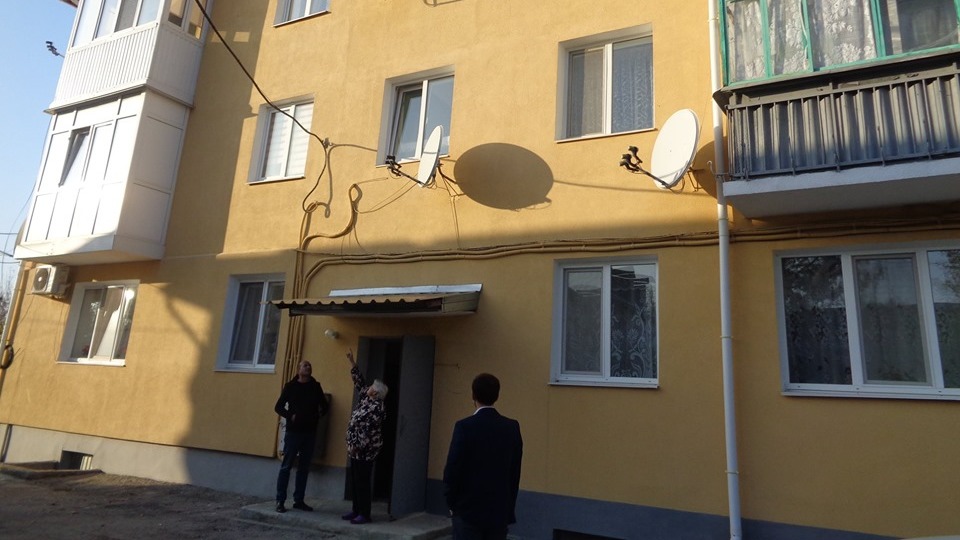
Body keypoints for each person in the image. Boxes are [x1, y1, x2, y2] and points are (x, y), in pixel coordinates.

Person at [443, 373, 523, 540]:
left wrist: (452, 503)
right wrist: (508, 507)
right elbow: (515, 472)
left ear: (473, 395)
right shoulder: (511, 427)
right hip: (498, 511)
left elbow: (453, 468)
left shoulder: (464, 427)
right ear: (497, 395)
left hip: (468, 511)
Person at [274, 360, 329, 513]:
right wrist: (290, 416)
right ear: (298, 370)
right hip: (293, 432)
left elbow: (324, 406)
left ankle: (299, 500)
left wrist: (317, 416)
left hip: (309, 432)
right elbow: (278, 407)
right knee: (286, 466)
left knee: (304, 468)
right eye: (305, 365)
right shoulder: (291, 387)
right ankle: (280, 500)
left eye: (310, 365)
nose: (308, 367)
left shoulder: (315, 386)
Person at [341, 349, 388, 525]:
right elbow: (359, 382)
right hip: (355, 448)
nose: (368, 388)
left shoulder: (377, 407)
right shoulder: (366, 399)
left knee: (362, 481)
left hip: (365, 450)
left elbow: (368, 430)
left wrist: (358, 445)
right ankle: (356, 509)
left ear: (375, 393)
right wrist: (352, 362)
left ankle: (364, 513)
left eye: (371, 387)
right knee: (355, 480)